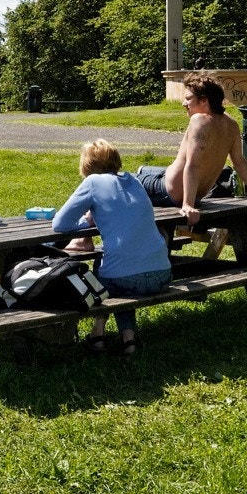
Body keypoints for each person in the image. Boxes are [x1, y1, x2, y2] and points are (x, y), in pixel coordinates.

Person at [53, 139, 171, 356]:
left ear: (87, 165)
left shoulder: (92, 183)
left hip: (124, 278)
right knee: (121, 270)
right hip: (161, 274)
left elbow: (59, 224)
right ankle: (129, 337)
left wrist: (86, 220)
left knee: (108, 270)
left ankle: (98, 334)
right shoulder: (135, 182)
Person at [134, 74, 247, 225]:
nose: (184, 103)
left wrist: (187, 205)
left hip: (166, 191)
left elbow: (192, 165)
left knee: (116, 178)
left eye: (188, 98)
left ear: (204, 100)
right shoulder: (231, 124)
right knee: (145, 170)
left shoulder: (199, 120)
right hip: (191, 191)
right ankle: (143, 170)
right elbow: (240, 163)